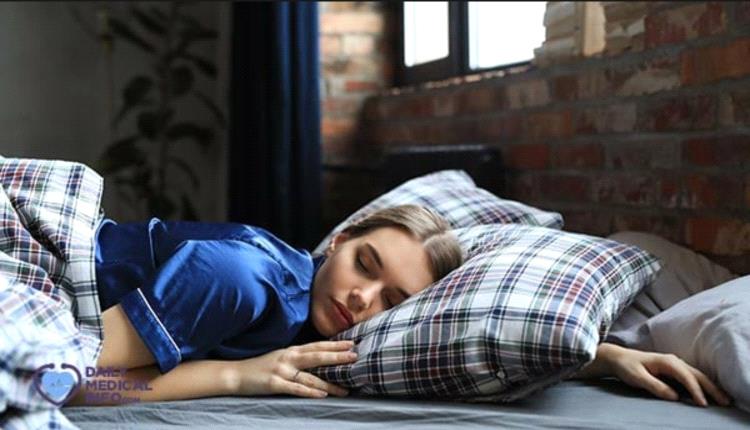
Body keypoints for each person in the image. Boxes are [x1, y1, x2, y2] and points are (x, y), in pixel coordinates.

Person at [67, 204, 731, 408]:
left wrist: (603, 355)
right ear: (337, 242)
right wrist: (235, 377)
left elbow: (454, 338)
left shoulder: (318, 322)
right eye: (365, 264)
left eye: (392, 301)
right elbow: (69, 380)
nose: (362, 299)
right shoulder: (241, 279)